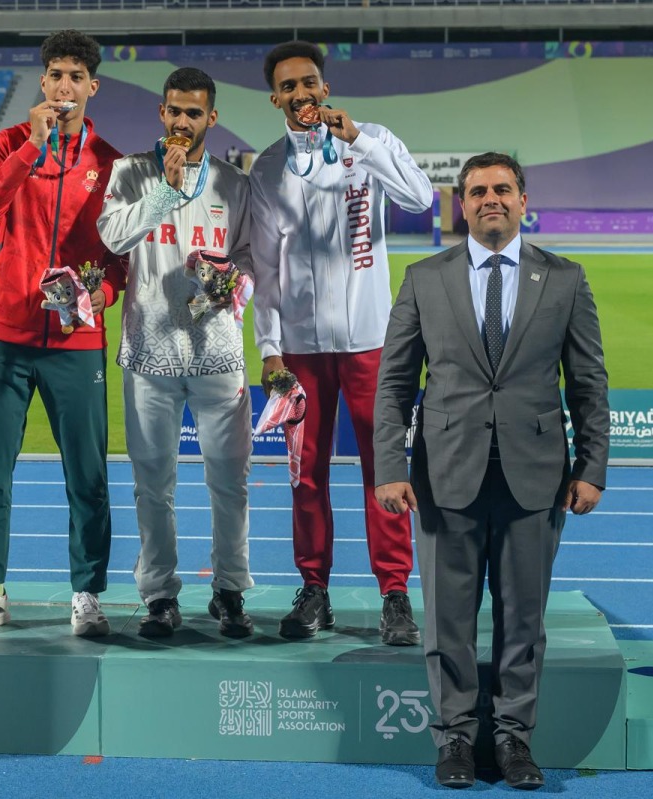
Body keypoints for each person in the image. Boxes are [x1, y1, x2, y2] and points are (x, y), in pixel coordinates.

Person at [374, 152, 609, 790]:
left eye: (502, 189)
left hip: (536, 478)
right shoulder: (425, 277)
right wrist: (390, 467)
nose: (490, 200)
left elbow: (588, 382)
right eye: (477, 191)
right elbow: (394, 382)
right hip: (444, 475)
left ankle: (512, 742)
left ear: (523, 200)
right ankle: (454, 741)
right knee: (448, 619)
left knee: (523, 620)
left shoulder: (564, 279)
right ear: (462, 204)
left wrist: (593, 468)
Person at [248, 40, 433, 645]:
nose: (301, 94)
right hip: (299, 351)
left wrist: (358, 140)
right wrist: (270, 349)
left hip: (370, 346)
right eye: (289, 87)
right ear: (275, 97)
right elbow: (265, 267)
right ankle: (315, 590)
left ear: (324, 87)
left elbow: (420, 198)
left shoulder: (369, 140)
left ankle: (395, 593)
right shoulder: (268, 167)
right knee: (305, 476)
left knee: (386, 469)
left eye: (310, 83)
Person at [0, 30, 127, 638]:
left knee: (88, 474)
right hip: (3, 333)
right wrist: (30, 146)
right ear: (43, 82)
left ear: (92, 87)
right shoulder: (9, 143)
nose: (64, 86)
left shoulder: (110, 163)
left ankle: (87, 594)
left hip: (76, 343)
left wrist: (94, 300)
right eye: (55, 74)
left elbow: (120, 261)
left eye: (76, 77)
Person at [98, 67, 255, 638]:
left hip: (218, 355)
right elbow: (114, 238)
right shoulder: (129, 172)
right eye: (174, 111)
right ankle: (160, 593)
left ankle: (230, 589)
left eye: (194, 113)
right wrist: (163, 188)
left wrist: (230, 280)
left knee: (230, 481)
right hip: (149, 355)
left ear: (211, 117)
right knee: (153, 484)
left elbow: (249, 258)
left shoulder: (235, 186)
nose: (182, 122)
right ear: (161, 114)